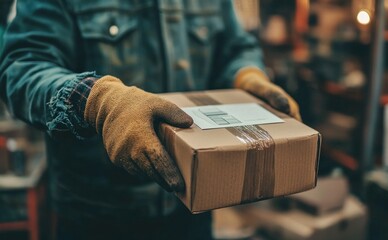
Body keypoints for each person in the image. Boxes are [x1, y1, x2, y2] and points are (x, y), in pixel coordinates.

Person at [0, 0, 301, 239]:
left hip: (193, 206)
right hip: (97, 215)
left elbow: (236, 47)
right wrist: (99, 101)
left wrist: (246, 74)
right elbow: (21, 68)